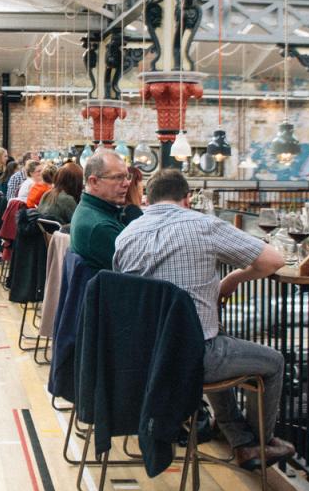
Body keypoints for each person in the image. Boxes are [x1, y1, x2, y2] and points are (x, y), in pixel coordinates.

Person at [112, 169, 293, 470]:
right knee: (272, 361)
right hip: (191, 359)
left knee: (214, 336)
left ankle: (240, 439)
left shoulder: (126, 235)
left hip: (141, 359)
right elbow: (273, 260)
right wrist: (236, 277)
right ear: (186, 199)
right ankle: (261, 444)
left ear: (149, 199)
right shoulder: (203, 225)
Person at [69, 150, 142, 271]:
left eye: (127, 177)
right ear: (94, 182)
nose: (127, 184)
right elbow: (140, 268)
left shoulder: (91, 209)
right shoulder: (99, 227)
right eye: (118, 177)